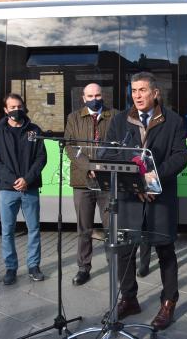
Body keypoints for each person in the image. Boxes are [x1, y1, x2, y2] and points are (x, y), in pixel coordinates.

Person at [106, 71, 187, 330]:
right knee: (124, 251)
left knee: (165, 250)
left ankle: (168, 303)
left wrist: (154, 178)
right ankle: (129, 299)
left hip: (159, 198)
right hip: (130, 198)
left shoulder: (173, 121)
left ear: (155, 93)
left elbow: (179, 156)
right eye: (134, 90)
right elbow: (110, 153)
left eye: (142, 90)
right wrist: (135, 182)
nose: (137, 95)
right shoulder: (120, 121)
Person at [0, 93, 47, 285]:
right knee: (7, 230)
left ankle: (33, 266)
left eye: (19, 106)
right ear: (5, 110)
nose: (16, 110)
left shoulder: (34, 130)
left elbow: (41, 158)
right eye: (12, 107)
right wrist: (14, 180)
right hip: (7, 189)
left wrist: (27, 179)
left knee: (34, 229)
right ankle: (11, 268)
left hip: (29, 188)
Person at [65, 83, 118, 286]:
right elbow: (70, 147)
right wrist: (88, 166)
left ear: (102, 95)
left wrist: (102, 165)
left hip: (107, 181)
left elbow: (119, 144)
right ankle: (83, 268)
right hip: (82, 181)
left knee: (111, 226)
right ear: (83, 97)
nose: (94, 99)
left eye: (97, 95)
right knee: (84, 229)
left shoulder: (114, 115)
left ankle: (114, 263)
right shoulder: (74, 117)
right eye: (90, 95)